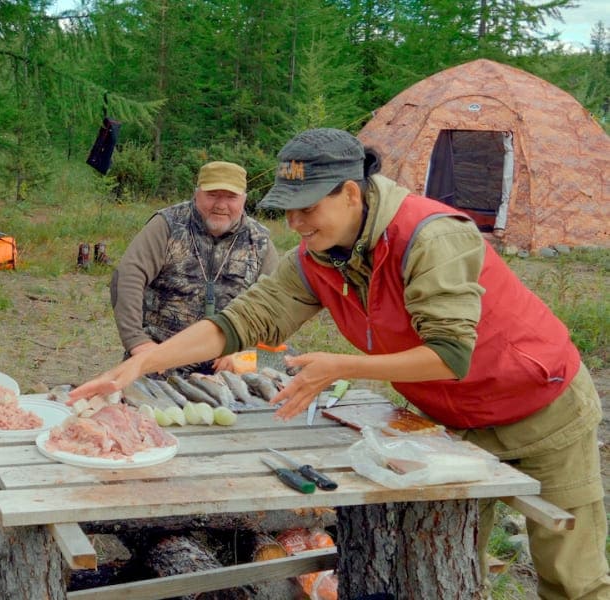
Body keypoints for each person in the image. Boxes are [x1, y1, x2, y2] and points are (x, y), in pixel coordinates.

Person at [72, 128, 609, 599]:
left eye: (308, 208)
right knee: (452, 561)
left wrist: (343, 366)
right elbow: (240, 322)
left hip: (541, 407)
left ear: (351, 193)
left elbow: (450, 354)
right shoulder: (317, 257)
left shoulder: (431, 236)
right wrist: (141, 365)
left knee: (571, 575)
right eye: (288, 209)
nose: (296, 223)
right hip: (452, 423)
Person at [110, 160, 278, 375]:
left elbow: (274, 307)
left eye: (230, 197)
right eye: (212, 195)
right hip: (163, 357)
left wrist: (247, 354)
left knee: (286, 360)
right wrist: (138, 343)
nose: (221, 204)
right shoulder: (168, 225)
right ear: (196, 194)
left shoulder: (259, 240)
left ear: (244, 199)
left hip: (229, 363)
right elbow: (128, 276)